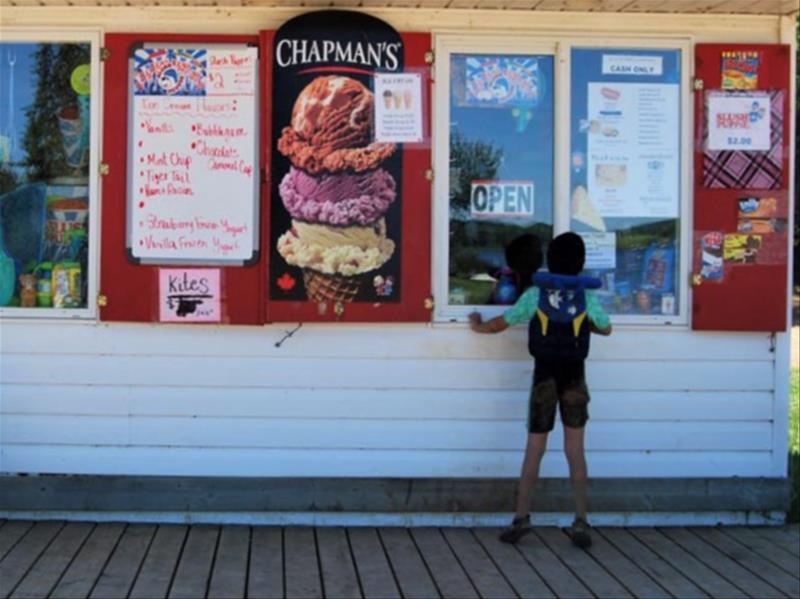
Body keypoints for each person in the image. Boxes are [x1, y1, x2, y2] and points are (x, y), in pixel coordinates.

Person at [469, 232, 612, 548]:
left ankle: (521, 517)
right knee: (575, 450)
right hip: (575, 379)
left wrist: (477, 324)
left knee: (535, 448)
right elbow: (605, 327)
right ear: (581, 263)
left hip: (543, 379)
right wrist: (581, 322)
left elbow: (501, 324)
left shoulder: (536, 294)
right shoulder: (586, 297)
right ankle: (581, 521)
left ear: (550, 261)